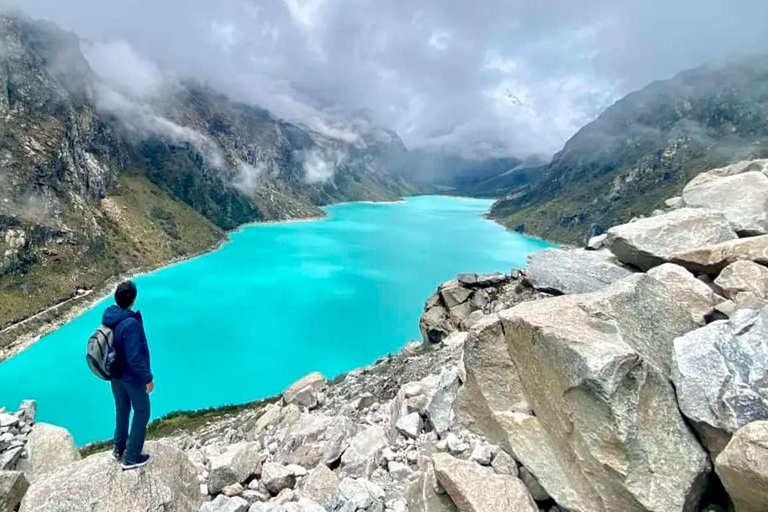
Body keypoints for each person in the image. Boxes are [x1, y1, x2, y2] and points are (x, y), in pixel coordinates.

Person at [102, 280, 155, 470]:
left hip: (114, 375)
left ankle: (119, 448)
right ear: (133, 299)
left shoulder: (109, 317)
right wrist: (147, 377)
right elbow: (134, 356)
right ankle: (131, 457)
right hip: (131, 377)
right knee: (142, 411)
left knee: (122, 409)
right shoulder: (130, 323)